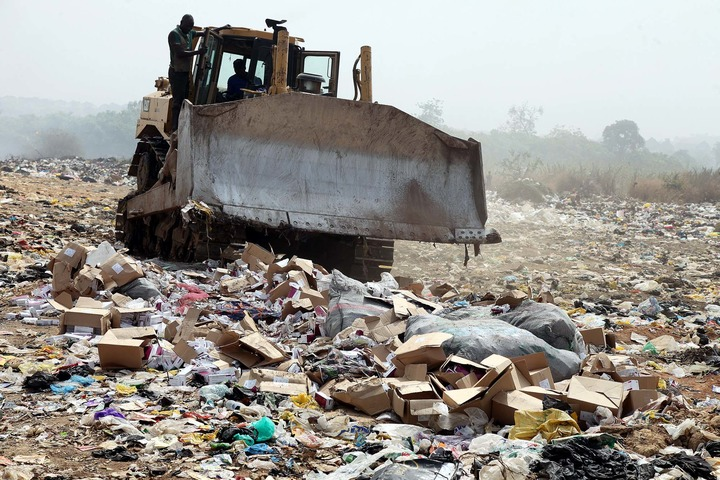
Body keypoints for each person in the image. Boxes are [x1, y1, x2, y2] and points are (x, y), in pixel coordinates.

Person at [168, 14, 206, 131]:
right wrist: (198, 52)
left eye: (191, 26)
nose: (190, 28)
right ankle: (174, 127)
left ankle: (182, 124)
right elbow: (179, 53)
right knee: (178, 100)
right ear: (181, 22)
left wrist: (220, 28)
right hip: (176, 72)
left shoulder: (190, 33)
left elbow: (203, 32)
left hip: (185, 72)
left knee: (185, 99)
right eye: (188, 26)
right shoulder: (174, 34)